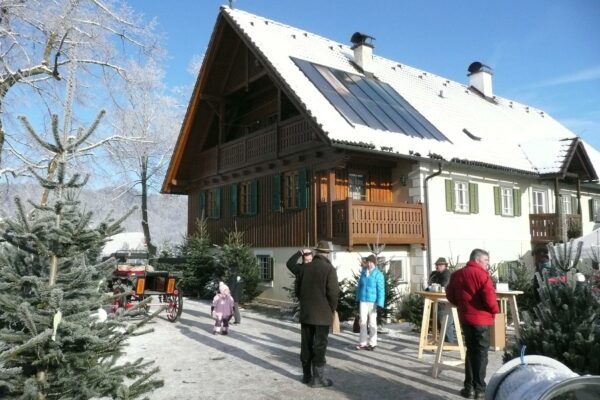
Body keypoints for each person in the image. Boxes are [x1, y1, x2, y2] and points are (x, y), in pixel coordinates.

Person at [446, 249, 499, 399]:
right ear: (477, 260)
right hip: (482, 319)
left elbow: (450, 294)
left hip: (466, 318)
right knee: (481, 353)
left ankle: (468, 388)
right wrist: (495, 310)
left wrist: (461, 305)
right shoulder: (482, 275)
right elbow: (489, 298)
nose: (488, 264)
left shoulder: (457, 274)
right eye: (486, 260)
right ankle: (480, 388)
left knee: (471, 351)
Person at [290, 241, 338, 387]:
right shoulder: (329, 269)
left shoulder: (304, 268)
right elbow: (333, 293)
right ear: (327, 253)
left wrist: (305, 303)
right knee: (320, 345)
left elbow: (297, 291)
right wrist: (332, 309)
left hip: (306, 314)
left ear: (316, 252)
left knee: (306, 345)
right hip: (323, 315)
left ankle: (306, 376)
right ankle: (318, 379)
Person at [355, 254, 385, 351]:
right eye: (368, 262)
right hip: (363, 300)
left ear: (374, 263)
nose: (369, 264)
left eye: (371, 262)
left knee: (372, 322)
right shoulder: (363, 273)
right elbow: (359, 287)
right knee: (362, 322)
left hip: (373, 302)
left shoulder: (378, 274)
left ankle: (372, 343)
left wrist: (380, 304)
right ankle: (363, 343)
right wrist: (357, 299)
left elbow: (381, 290)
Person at [428, 257, 456, 344]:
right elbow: (429, 284)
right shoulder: (434, 274)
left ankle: (449, 342)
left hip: (446, 301)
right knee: (440, 322)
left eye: (440, 265)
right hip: (438, 301)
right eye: (437, 265)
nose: (438, 267)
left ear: (445, 265)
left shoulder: (447, 274)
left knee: (446, 323)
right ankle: (443, 341)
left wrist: (433, 286)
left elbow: (443, 285)